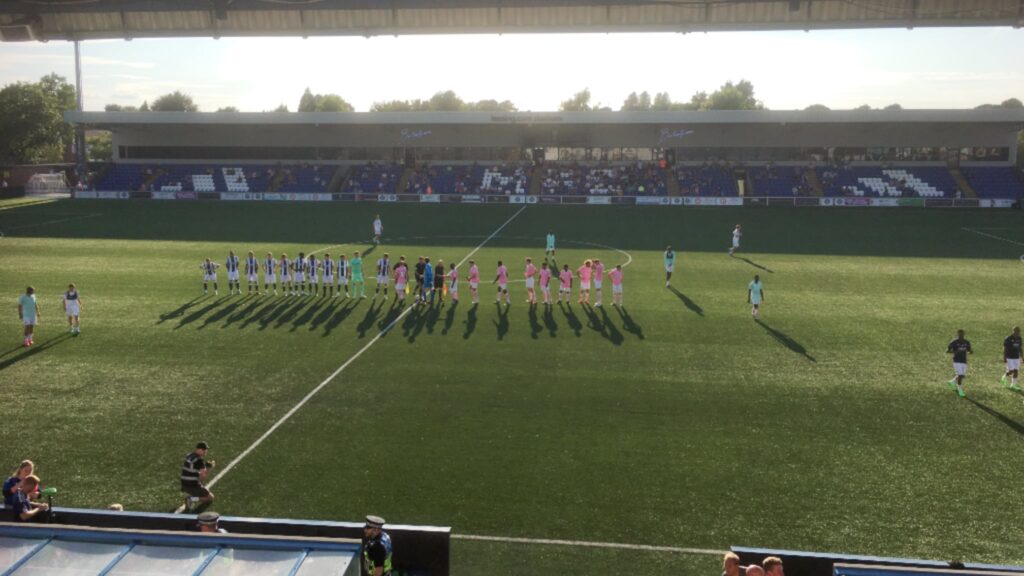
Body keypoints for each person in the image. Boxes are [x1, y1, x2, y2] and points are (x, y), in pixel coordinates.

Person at [181, 441, 216, 511]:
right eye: (204, 450)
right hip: (191, 485)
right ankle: (191, 499)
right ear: (199, 450)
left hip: (184, 484)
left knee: (200, 487)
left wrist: (204, 467)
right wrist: (210, 468)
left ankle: (192, 496)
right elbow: (202, 477)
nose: (206, 452)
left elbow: (193, 469)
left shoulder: (189, 455)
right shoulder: (199, 460)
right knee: (210, 498)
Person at [946, 329, 972, 398]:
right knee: (960, 375)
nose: (961, 335)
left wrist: (970, 352)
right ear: (957, 334)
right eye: (959, 334)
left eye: (962, 334)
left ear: (964, 334)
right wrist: (955, 352)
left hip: (964, 360)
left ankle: (952, 382)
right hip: (956, 360)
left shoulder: (967, 342)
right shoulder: (954, 342)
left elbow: (969, 350)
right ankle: (960, 389)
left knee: (962, 376)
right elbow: (947, 351)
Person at [1002, 326, 1022, 391]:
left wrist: (1022, 356)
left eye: (1018, 331)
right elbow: (1005, 348)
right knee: (1011, 370)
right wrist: (1004, 357)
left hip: (1016, 357)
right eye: (1016, 331)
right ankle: (1004, 376)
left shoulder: (1019, 338)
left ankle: (1013, 385)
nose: (1017, 333)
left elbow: (1020, 348)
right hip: (1009, 357)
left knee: (1016, 370)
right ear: (1013, 331)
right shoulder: (1008, 338)